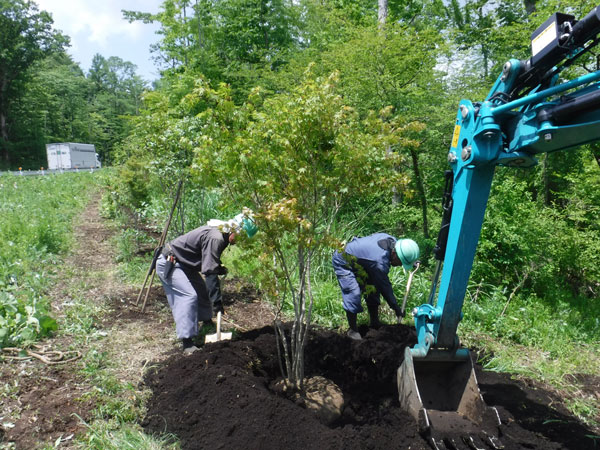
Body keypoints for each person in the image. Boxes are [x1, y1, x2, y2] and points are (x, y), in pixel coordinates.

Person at [156, 212, 258, 354]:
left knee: (202, 292)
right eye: (242, 236)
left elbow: (208, 260)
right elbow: (209, 273)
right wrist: (217, 303)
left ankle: (207, 324)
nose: (240, 240)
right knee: (188, 296)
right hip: (171, 263)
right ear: (235, 230)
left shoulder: (221, 234)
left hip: (185, 265)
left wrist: (217, 268)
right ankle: (187, 343)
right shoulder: (216, 237)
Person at [332, 233, 420, 340]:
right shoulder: (379, 262)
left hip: (363, 261)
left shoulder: (394, 242)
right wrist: (396, 307)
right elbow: (385, 287)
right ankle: (353, 330)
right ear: (395, 254)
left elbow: (379, 283)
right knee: (353, 293)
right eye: (401, 262)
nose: (400, 265)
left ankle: (374, 322)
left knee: (373, 287)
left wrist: (411, 260)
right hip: (344, 260)